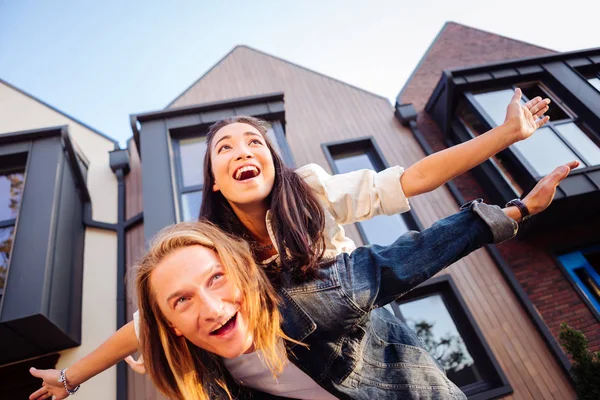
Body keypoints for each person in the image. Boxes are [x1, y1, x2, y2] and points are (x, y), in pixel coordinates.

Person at [29, 89, 561, 399]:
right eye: (225, 149)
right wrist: (69, 377)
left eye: (255, 142)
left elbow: (412, 179)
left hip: (364, 335)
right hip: (288, 353)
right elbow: (142, 323)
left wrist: (505, 136)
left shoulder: (308, 191)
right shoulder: (214, 254)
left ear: (271, 160)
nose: (243, 151)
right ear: (214, 179)